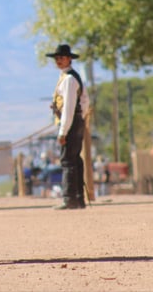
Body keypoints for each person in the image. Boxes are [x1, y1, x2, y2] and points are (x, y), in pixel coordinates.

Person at [46, 43, 91, 210]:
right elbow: (85, 102)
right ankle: (78, 198)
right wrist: (81, 116)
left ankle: (69, 198)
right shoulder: (70, 77)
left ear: (69, 59)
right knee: (75, 159)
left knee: (68, 161)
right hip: (76, 120)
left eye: (62, 57)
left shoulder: (69, 80)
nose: (59, 60)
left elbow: (70, 106)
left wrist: (63, 131)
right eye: (57, 58)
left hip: (71, 122)